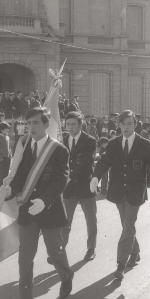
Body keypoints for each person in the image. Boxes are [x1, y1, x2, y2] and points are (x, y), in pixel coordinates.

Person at [5, 107, 74, 299]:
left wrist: (44, 200)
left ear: (46, 125)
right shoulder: (25, 147)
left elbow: (61, 179)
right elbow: (20, 177)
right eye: (28, 123)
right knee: (25, 258)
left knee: (55, 252)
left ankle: (66, 275)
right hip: (28, 211)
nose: (31, 128)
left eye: (36, 123)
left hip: (49, 209)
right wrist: (9, 189)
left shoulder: (59, 150)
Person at [90, 109, 150, 281]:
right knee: (127, 226)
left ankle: (120, 264)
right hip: (118, 191)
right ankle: (136, 252)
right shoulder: (114, 143)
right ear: (119, 125)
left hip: (135, 192)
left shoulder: (145, 144)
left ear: (135, 125)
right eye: (123, 124)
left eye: (130, 123)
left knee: (128, 225)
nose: (126, 127)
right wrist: (95, 177)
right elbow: (104, 161)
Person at [62, 111, 97, 262]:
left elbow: (85, 163)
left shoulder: (89, 140)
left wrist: (69, 177)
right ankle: (60, 249)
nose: (70, 127)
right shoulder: (62, 139)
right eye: (67, 124)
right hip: (68, 189)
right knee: (64, 221)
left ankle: (91, 249)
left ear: (80, 124)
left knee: (91, 220)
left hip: (85, 186)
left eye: (73, 124)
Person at [0, 122, 12, 197]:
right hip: (1, 161)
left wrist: (10, 155)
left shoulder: (7, 137)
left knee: (5, 178)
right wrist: (1, 159)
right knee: (0, 178)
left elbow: (9, 148)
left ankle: (2, 194)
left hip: (7, 160)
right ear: (2, 129)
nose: (8, 130)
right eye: (7, 129)